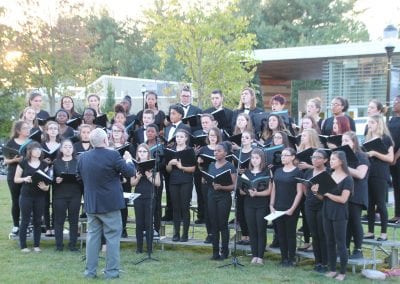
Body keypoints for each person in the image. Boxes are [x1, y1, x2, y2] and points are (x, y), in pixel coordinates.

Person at [77, 128, 135, 279]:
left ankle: (90, 272)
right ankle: (111, 272)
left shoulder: (83, 157)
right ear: (105, 140)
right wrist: (128, 159)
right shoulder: (113, 154)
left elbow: (79, 177)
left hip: (92, 203)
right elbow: (130, 172)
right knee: (112, 238)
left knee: (92, 237)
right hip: (110, 204)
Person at [312, 151, 353, 281]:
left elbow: (343, 199)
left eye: (334, 159)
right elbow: (321, 197)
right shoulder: (329, 175)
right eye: (330, 159)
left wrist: (328, 194)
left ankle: (342, 272)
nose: (331, 161)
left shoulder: (348, 178)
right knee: (329, 241)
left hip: (339, 213)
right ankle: (332, 269)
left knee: (340, 243)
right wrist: (316, 192)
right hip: (327, 211)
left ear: (341, 161)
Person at [269, 147, 303, 267]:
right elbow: (274, 189)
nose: (283, 157)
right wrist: (271, 205)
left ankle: (291, 258)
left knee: (290, 234)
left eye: (286, 155)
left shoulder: (297, 172)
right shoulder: (278, 171)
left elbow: (300, 192)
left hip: (290, 208)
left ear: (293, 157)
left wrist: (292, 209)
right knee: (281, 234)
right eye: (282, 155)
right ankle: (283, 258)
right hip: (278, 206)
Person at [14, 141, 50, 252]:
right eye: (36, 149)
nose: (38, 151)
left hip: (39, 196)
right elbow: (16, 179)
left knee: (38, 221)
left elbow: (48, 182)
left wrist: (46, 187)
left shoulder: (44, 164)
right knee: (25, 220)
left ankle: (36, 245)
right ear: (30, 151)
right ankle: (23, 246)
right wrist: (25, 179)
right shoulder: (23, 163)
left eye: (39, 149)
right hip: (26, 195)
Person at [364, 114, 394, 241]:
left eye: (372, 122)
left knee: (380, 203)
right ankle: (370, 231)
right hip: (369, 173)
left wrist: (375, 153)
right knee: (370, 204)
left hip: (380, 174)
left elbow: (390, 158)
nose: (369, 125)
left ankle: (384, 233)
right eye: (369, 122)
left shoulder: (386, 139)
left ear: (378, 124)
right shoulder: (368, 138)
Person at [341, 131, 369, 259]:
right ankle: (345, 249)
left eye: (346, 141)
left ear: (354, 142)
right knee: (345, 222)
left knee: (355, 221)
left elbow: (360, 174)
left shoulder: (361, 156)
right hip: (344, 192)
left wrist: (343, 166)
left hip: (357, 193)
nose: (344, 143)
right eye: (342, 141)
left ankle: (358, 250)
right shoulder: (343, 156)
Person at [207, 142, 237, 260]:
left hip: (224, 197)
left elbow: (233, 186)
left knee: (222, 224)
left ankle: (225, 252)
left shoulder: (230, 166)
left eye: (219, 151)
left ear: (225, 153)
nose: (216, 152)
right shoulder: (211, 165)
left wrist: (221, 187)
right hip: (211, 196)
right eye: (215, 151)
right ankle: (215, 252)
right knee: (213, 225)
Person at [165, 129, 196, 242]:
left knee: (184, 207)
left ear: (186, 138)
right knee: (176, 207)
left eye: (181, 137)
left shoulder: (190, 150)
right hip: (174, 180)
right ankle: (176, 233)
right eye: (177, 137)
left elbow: (193, 168)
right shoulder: (171, 151)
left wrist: (181, 167)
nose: (178, 139)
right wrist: (169, 163)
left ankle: (185, 234)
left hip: (186, 180)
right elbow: (168, 170)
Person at [242, 148, 270, 264]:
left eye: (257, 158)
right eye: (252, 158)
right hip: (249, 204)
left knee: (261, 229)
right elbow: (241, 191)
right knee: (252, 230)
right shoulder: (246, 173)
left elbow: (269, 191)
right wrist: (248, 192)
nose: (254, 160)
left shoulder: (266, 172)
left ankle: (260, 256)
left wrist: (257, 193)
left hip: (262, 204)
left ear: (261, 159)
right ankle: (254, 255)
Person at [131, 144, 161, 253]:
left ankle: (149, 248)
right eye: (140, 151)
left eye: (144, 151)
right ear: (137, 153)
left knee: (149, 222)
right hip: (138, 196)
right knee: (139, 223)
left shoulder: (153, 164)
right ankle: (139, 248)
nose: (142, 153)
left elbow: (157, 183)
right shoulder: (134, 166)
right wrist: (138, 177)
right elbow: (132, 183)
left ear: (148, 153)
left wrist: (148, 176)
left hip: (149, 196)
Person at [53, 139, 82, 251]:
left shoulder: (78, 161)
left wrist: (78, 178)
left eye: (70, 147)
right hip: (60, 194)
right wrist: (56, 179)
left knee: (73, 220)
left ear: (73, 149)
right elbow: (51, 179)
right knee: (59, 220)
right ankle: (59, 245)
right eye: (65, 147)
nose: (68, 149)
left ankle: (72, 245)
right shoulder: (56, 162)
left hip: (75, 194)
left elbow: (82, 178)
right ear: (61, 149)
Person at [303, 149, 329, 273]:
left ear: (325, 160)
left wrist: (316, 193)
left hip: (323, 205)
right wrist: (310, 196)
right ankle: (317, 261)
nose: (315, 160)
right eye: (313, 157)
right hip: (309, 205)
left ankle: (325, 263)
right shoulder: (308, 172)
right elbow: (304, 188)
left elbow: (328, 192)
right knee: (314, 234)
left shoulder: (328, 172)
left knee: (322, 234)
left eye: (318, 157)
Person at [4, 121, 30, 236]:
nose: (27, 130)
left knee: (27, 200)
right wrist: (14, 160)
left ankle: (27, 225)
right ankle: (16, 225)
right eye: (25, 128)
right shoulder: (10, 143)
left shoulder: (31, 142)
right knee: (16, 200)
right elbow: (6, 161)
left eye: (28, 128)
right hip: (13, 174)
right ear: (18, 130)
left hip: (27, 174)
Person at [109, 123, 135, 237]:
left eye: (118, 131)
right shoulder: (108, 146)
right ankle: (112, 229)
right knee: (111, 205)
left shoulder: (129, 146)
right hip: (111, 179)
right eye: (114, 131)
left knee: (123, 205)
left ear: (123, 133)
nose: (116, 133)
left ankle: (123, 229)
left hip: (125, 179)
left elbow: (132, 164)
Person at [198, 127, 222, 243]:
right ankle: (210, 233)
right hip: (206, 181)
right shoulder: (203, 149)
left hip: (219, 182)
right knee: (208, 208)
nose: (212, 138)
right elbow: (200, 167)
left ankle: (217, 233)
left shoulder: (222, 149)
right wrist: (199, 163)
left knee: (217, 209)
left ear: (218, 137)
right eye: (210, 135)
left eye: (214, 136)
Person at [388, 96, 400, 224]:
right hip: (391, 158)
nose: (394, 104)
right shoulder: (392, 119)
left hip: (397, 158)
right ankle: (397, 214)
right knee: (395, 186)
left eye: (397, 102)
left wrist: (395, 157)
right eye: (394, 101)